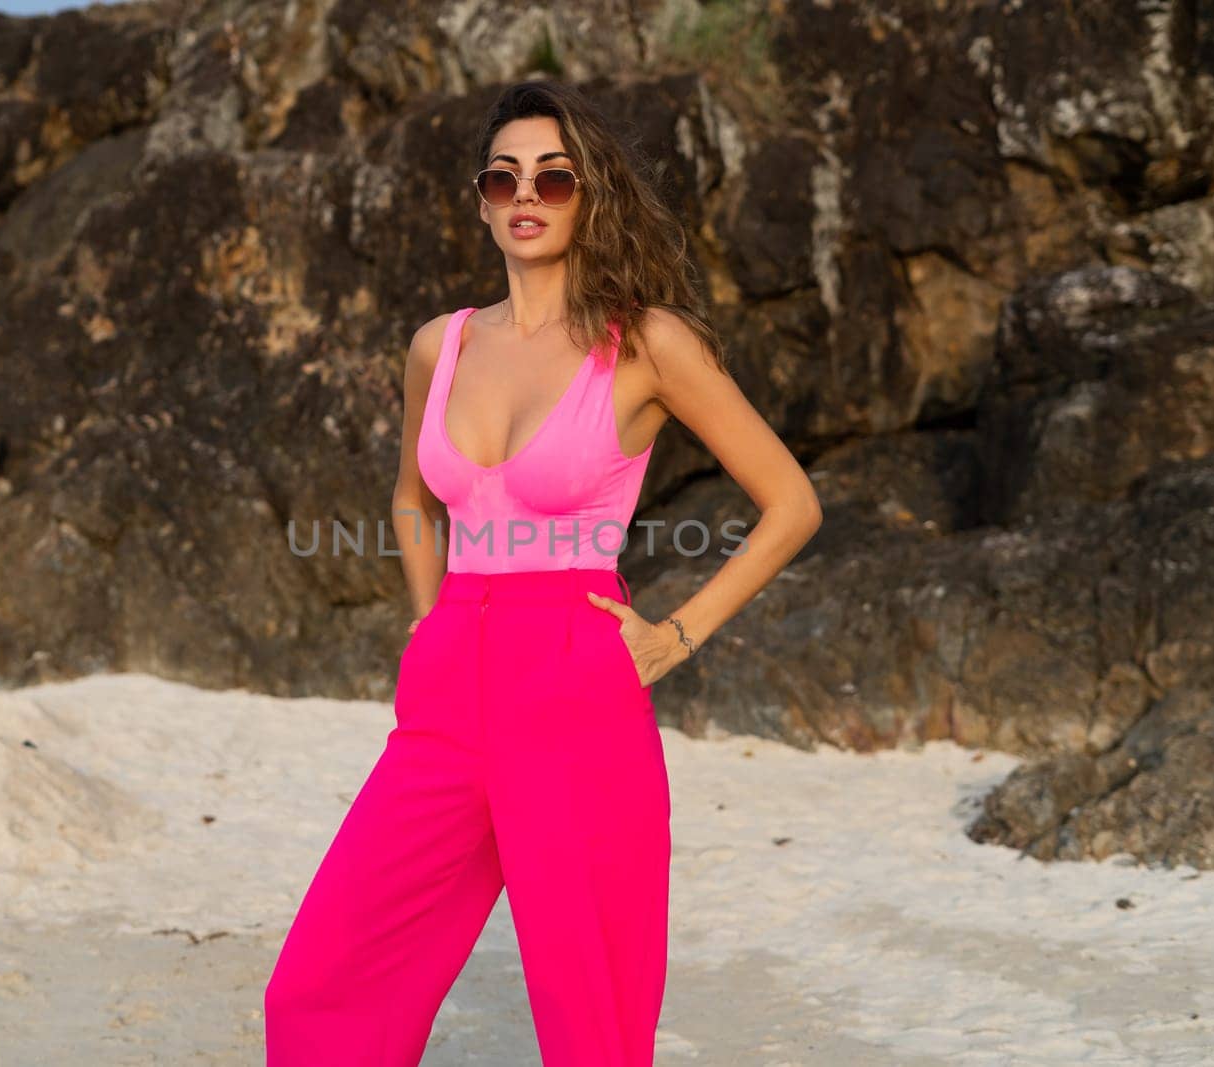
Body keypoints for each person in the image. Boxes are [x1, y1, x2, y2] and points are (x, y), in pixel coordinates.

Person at [264, 80, 823, 1065]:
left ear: (588, 195)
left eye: (554, 178)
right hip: (447, 687)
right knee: (322, 983)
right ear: (481, 200)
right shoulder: (439, 345)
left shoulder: (647, 342)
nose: (528, 194)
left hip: (574, 679)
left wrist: (675, 634)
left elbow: (790, 503)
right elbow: (412, 496)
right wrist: (427, 617)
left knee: (590, 1013)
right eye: (505, 175)